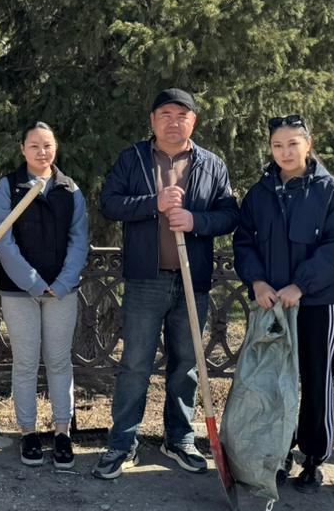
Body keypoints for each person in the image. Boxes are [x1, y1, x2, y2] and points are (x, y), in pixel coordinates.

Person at [93, 88, 239, 480]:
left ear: (194, 121)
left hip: (193, 280)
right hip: (145, 279)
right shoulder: (133, 158)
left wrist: (196, 221)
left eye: (181, 115)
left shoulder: (212, 165)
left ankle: (179, 439)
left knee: (186, 365)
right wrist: (153, 203)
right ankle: (122, 442)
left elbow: (229, 215)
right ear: (153, 121)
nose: (173, 122)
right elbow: (110, 202)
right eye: (165, 115)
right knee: (135, 365)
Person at [231, 114, 334, 494]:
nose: (285, 152)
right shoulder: (260, 193)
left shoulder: (332, 192)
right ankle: (278, 452)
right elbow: (244, 240)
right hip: (272, 304)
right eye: (277, 145)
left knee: (317, 381)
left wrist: (301, 286)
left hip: (317, 302)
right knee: (273, 379)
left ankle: (314, 459)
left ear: (308, 144)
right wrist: (257, 280)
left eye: (292, 144)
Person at [0, 122, 90, 470]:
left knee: (60, 361)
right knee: (25, 362)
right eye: (34, 145)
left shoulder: (69, 189)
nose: (41, 151)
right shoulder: (8, 186)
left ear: (55, 148)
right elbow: (3, 239)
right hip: (19, 290)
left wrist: (63, 282)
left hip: (62, 290)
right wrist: (33, 281)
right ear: (23, 149)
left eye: (47, 145)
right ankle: (28, 432)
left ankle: (62, 432)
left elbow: (79, 239)